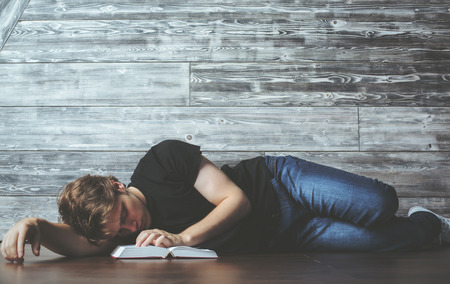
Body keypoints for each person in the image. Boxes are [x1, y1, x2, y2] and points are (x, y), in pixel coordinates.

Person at [1, 140, 449, 263]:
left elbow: (237, 201)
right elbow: (84, 245)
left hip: (279, 186)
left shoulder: (162, 160)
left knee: (377, 204)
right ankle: (430, 222)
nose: (128, 230)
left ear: (117, 186)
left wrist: (182, 237)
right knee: (397, 243)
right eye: (115, 231)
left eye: (123, 217)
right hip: (287, 235)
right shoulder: (119, 231)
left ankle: (406, 209)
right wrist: (36, 225)